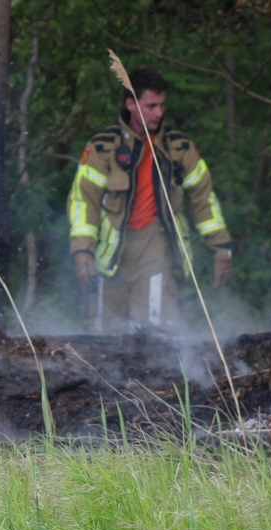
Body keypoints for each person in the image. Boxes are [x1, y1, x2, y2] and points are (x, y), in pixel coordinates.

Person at [67, 68, 233, 333]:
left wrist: (221, 248)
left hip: (156, 247)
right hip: (110, 255)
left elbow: (204, 200)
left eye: (162, 105)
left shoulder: (179, 148)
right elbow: (83, 203)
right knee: (104, 336)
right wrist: (82, 252)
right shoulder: (102, 148)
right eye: (151, 106)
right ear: (131, 104)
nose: (158, 113)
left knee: (156, 335)